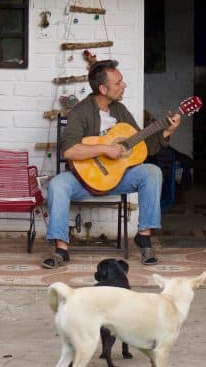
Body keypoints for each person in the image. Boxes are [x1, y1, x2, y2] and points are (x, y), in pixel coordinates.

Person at [42, 60, 181, 268]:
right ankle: (61, 248)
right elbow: (70, 150)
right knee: (58, 184)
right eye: (118, 82)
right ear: (103, 88)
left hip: (117, 178)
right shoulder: (81, 111)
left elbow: (144, 146)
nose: (124, 85)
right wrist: (105, 149)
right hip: (85, 181)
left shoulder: (120, 110)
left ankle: (144, 237)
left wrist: (167, 131)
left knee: (152, 172)